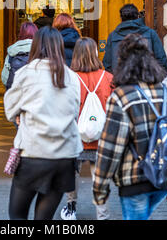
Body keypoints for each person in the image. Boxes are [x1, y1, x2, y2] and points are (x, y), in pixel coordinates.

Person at [93, 33, 167, 220]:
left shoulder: (121, 97)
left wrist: (100, 189)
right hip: (163, 176)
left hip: (133, 179)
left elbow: (110, 148)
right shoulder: (165, 91)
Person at [4, 26, 83, 220]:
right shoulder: (71, 76)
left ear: (36, 45)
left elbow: (10, 110)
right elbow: (74, 111)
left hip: (34, 153)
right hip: (64, 156)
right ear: (59, 46)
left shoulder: (26, 73)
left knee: (17, 215)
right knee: (44, 218)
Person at [60, 37, 113, 221]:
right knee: (100, 178)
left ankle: (71, 207)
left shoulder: (69, 78)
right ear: (95, 54)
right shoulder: (108, 78)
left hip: (75, 137)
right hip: (101, 137)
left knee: (71, 173)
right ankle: (102, 214)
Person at [103, 3, 167, 73]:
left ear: (121, 18)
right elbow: (161, 60)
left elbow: (108, 64)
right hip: (146, 80)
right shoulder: (150, 33)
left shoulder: (112, 36)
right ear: (138, 16)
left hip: (120, 80)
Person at [1, 21, 38, 91]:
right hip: (35, 95)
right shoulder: (41, 51)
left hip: (16, 95)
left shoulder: (12, 51)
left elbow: (4, 78)